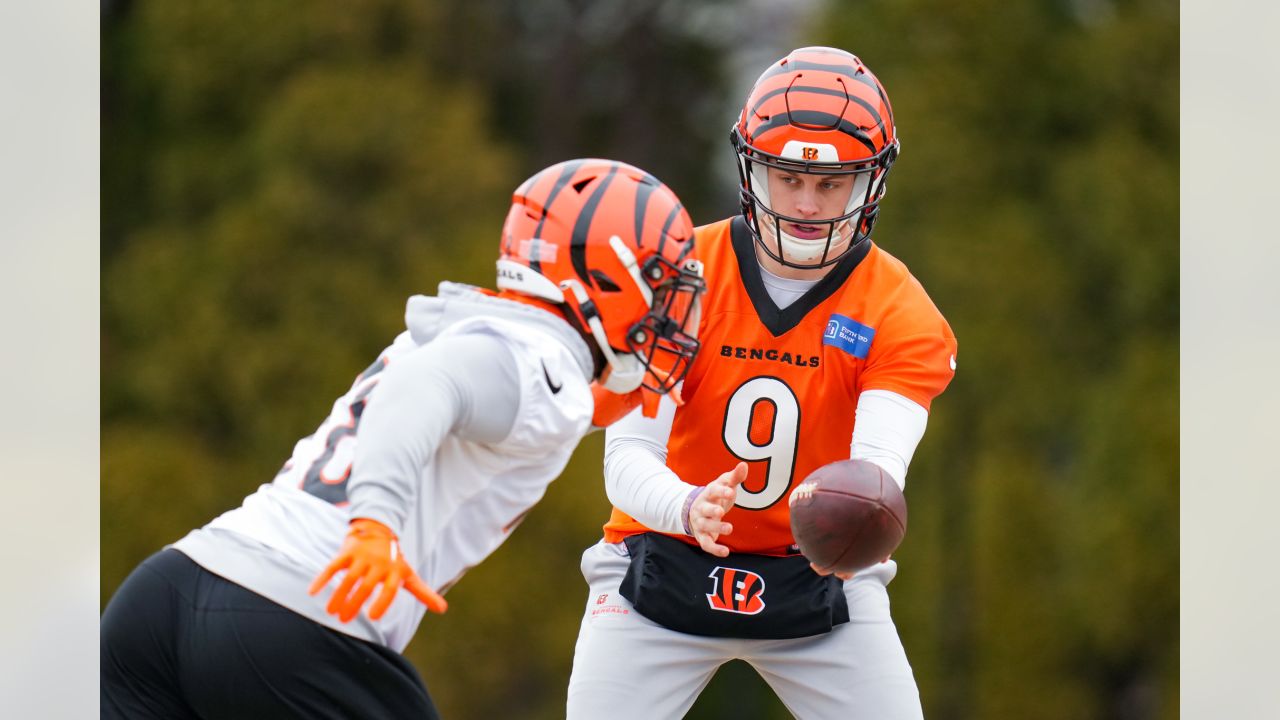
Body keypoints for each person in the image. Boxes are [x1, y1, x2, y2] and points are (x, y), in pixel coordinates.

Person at [100, 158, 706, 720]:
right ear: (607, 278)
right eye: (661, 286)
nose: (671, 314)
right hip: (296, 613)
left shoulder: (491, 335)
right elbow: (427, 384)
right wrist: (376, 523)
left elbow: (495, 400)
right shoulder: (537, 362)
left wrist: (618, 393)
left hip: (168, 595)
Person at [565, 47, 958, 719]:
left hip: (820, 576)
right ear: (751, 170)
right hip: (660, 563)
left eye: (831, 183)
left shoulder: (896, 308)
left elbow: (874, 474)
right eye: (787, 177)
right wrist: (686, 507)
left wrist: (856, 525)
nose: (807, 203)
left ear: (870, 184)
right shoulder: (681, 276)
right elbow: (626, 458)